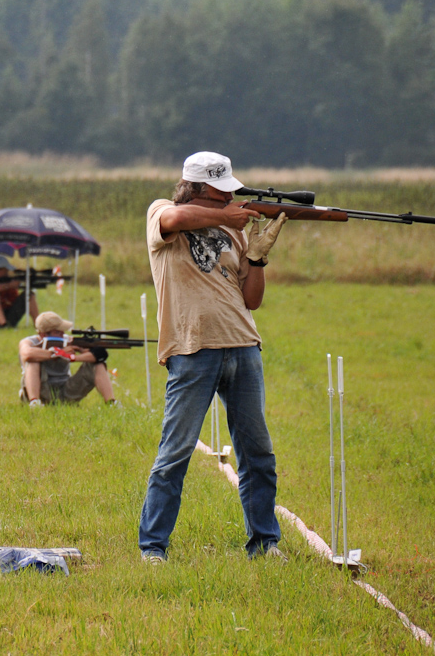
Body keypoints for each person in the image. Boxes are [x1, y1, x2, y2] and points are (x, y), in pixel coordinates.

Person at [138, 151, 288, 564]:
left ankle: (265, 543)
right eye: (223, 194)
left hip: (243, 344)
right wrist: (226, 218)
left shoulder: (236, 230)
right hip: (192, 350)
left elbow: (252, 300)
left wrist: (256, 257)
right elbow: (176, 221)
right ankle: (153, 547)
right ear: (200, 188)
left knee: (258, 454)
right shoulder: (163, 211)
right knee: (175, 453)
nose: (230, 200)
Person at [18, 312, 118, 408]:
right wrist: (57, 353)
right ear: (43, 335)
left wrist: (74, 357)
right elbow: (27, 354)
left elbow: (97, 355)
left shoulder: (68, 340)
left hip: (65, 391)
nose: (62, 334)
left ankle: (111, 403)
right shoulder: (29, 342)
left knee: (98, 364)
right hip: (42, 391)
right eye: (58, 332)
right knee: (33, 361)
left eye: (63, 331)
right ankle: (35, 403)